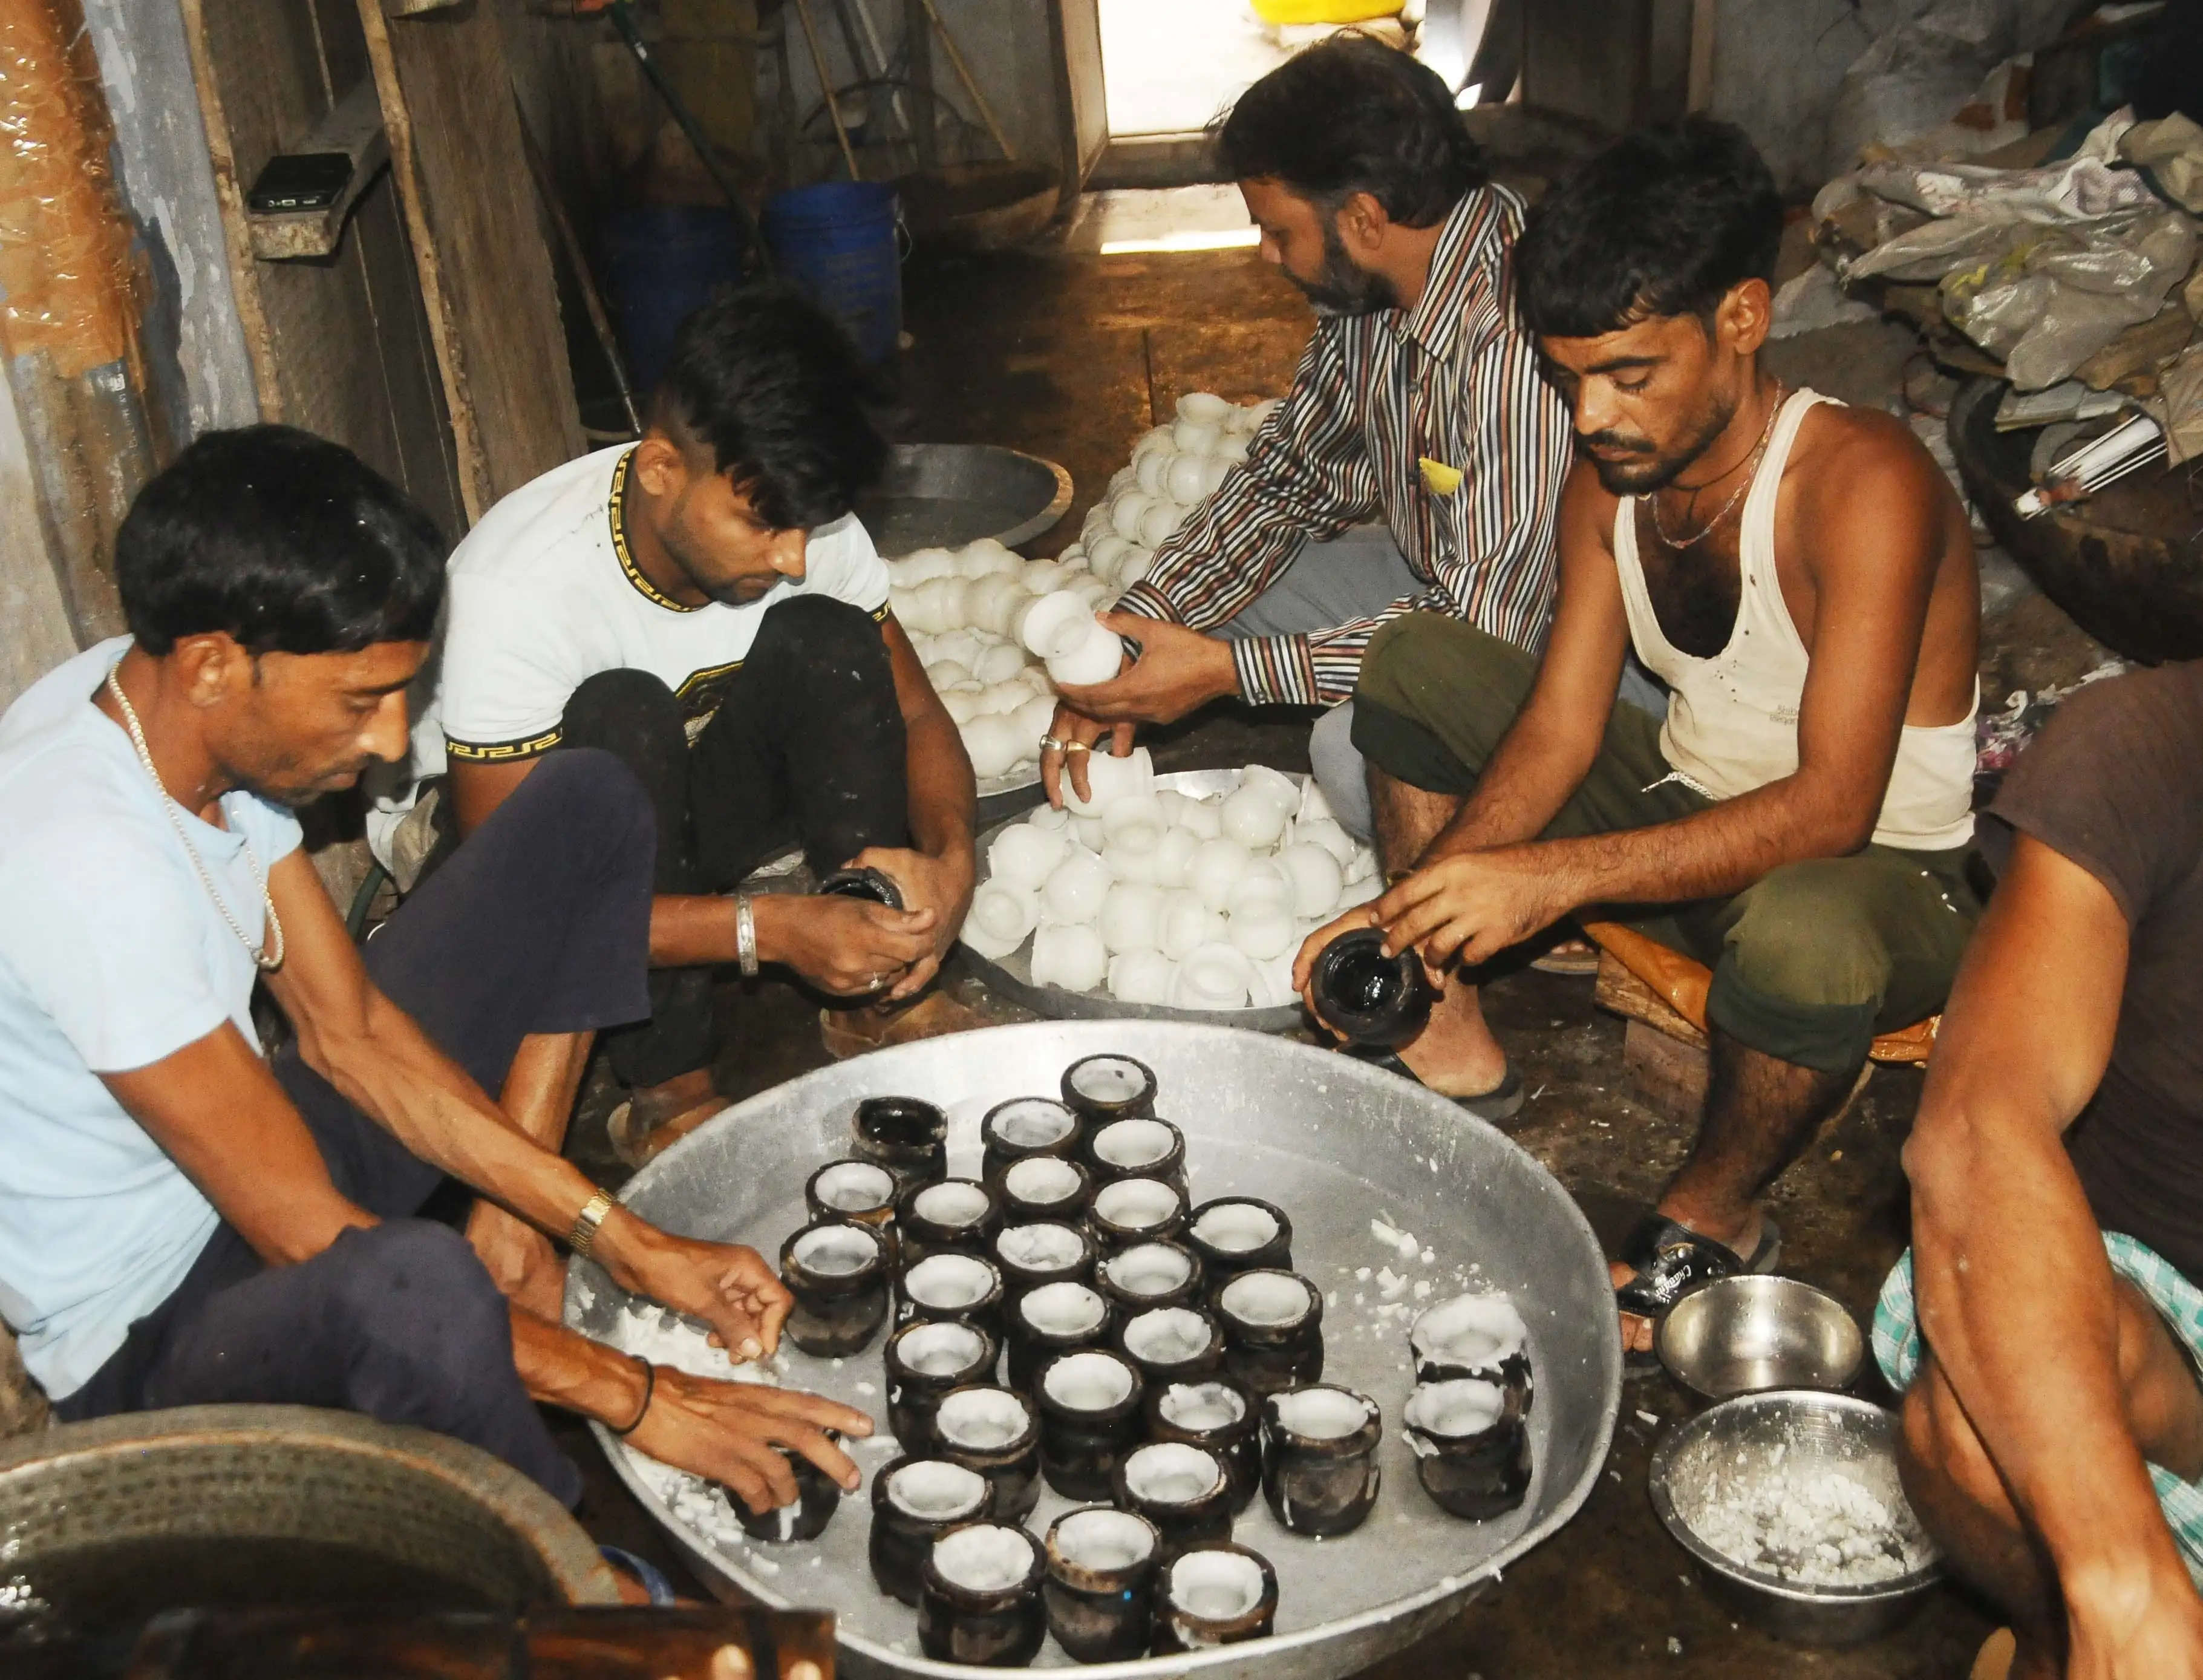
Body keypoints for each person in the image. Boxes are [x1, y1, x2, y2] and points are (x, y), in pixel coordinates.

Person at [0, 426, 869, 1518]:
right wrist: (643, 1394)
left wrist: (615, 1238)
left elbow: (348, 1031)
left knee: (588, 803)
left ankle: (503, 1246)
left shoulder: (173, 709)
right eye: (361, 700)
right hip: (154, 1336)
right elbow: (305, 1235)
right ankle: (565, 1581)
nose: (393, 741)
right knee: (417, 1292)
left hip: (251, 1164)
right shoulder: (82, 860)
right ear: (215, 666)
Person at [1293, 119, 1982, 1348]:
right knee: (1414, 662)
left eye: (1629, 375)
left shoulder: (1861, 482)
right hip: (1689, 817)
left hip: (1879, 878)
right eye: (1568, 380)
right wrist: (1434, 900)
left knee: (1807, 935)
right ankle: (1440, 1012)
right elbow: (1561, 728)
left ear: (1744, 320)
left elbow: (1833, 810)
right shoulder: (1612, 478)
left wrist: (1545, 878)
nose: (1593, 417)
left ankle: (1716, 1210)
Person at [382, 285, 977, 1160]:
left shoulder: (802, 524)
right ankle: (669, 1083)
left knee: (827, 635)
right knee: (622, 716)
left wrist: (954, 866)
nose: (792, 555)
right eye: (761, 523)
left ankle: (875, 985)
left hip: (687, 814)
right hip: (509, 862)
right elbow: (527, 903)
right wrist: (768, 929)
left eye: (804, 526)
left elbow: (919, 715)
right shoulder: (518, 592)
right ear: (661, 469)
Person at [1042, 34, 1575, 838]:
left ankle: (1563, 870)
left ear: (1361, 217)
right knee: (1214, 608)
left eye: (1276, 230)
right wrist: (1125, 644)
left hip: (1564, 646)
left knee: (1352, 753)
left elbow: (1483, 632)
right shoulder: (1372, 293)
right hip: (1452, 582)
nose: (1263, 254)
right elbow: (1287, 481)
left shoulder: (1514, 333)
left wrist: (1225, 675)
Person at [1882, 665, 2203, 1680]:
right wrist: (2124, 1588)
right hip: (2173, 1337)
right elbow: (1979, 1125)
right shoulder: (2151, 742)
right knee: (1986, 1417)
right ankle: (2066, 1644)